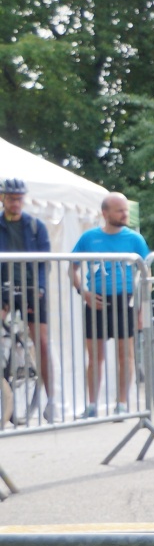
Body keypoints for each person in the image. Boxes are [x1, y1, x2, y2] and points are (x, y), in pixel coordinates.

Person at [70, 191, 151, 417]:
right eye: (119, 210)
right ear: (105, 213)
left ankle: (122, 403)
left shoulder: (135, 239)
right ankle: (92, 405)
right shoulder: (89, 238)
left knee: (125, 355)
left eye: (126, 210)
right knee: (95, 357)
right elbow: (72, 268)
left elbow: (147, 274)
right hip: (95, 301)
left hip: (125, 301)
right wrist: (83, 292)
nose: (125, 214)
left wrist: (142, 310)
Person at [0, 176, 56, 422]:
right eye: (11, 198)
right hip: (4, 287)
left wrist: (40, 287)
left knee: (41, 342)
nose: (15, 203)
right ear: (2, 198)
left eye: (19, 199)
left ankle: (52, 400)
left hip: (32, 288)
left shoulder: (35, 226)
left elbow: (45, 262)